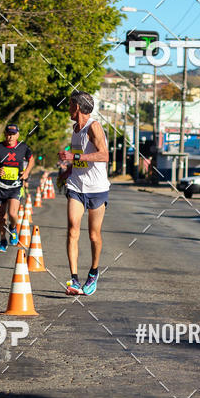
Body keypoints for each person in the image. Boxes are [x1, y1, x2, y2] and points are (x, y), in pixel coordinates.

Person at [57, 91, 109, 296]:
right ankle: (74, 279)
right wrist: (68, 170)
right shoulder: (75, 128)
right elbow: (79, 160)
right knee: (72, 230)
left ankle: (94, 272)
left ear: (77, 107)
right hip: (76, 186)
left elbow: (104, 155)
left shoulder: (93, 126)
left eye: (70, 105)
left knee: (94, 235)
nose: (68, 109)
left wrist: (74, 155)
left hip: (97, 189)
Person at [0, 124, 34, 252]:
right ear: (5, 134)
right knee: (1, 217)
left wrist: (27, 171)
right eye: (8, 133)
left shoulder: (23, 147)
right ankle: (2, 240)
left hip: (15, 186)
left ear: (17, 135)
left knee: (12, 213)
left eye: (13, 134)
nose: (10, 136)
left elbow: (31, 160)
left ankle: (13, 228)